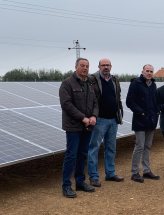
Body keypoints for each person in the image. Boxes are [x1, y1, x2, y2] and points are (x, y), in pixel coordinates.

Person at [59, 57, 99, 198]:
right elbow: (66, 104)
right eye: (82, 65)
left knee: (82, 154)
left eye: (87, 66)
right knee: (71, 155)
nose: (85, 68)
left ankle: (80, 182)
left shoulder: (90, 83)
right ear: (76, 67)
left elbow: (95, 102)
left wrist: (93, 117)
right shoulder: (67, 83)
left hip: (87, 126)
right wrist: (83, 118)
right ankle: (66, 186)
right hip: (74, 126)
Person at [87, 58, 124, 187]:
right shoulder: (92, 80)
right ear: (99, 67)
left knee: (111, 148)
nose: (105, 67)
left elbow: (117, 97)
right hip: (99, 119)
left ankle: (110, 173)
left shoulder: (114, 80)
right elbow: (89, 99)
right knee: (94, 148)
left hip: (113, 119)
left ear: (111, 66)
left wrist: (119, 113)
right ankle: (94, 176)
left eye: (107, 65)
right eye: (103, 65)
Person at [126, 64, 160, 183]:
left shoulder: (153, 85)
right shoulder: (136, 83)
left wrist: (156, 113)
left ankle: (146, 170)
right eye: (147, 71)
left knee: (147, 146)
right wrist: (141, 112)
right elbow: (129, 101)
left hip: (151, 121)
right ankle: (135, 172)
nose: (149, 73)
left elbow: (155, 101)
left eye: (151, 71)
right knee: (139, 146)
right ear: (142, 72)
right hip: (140, 121)